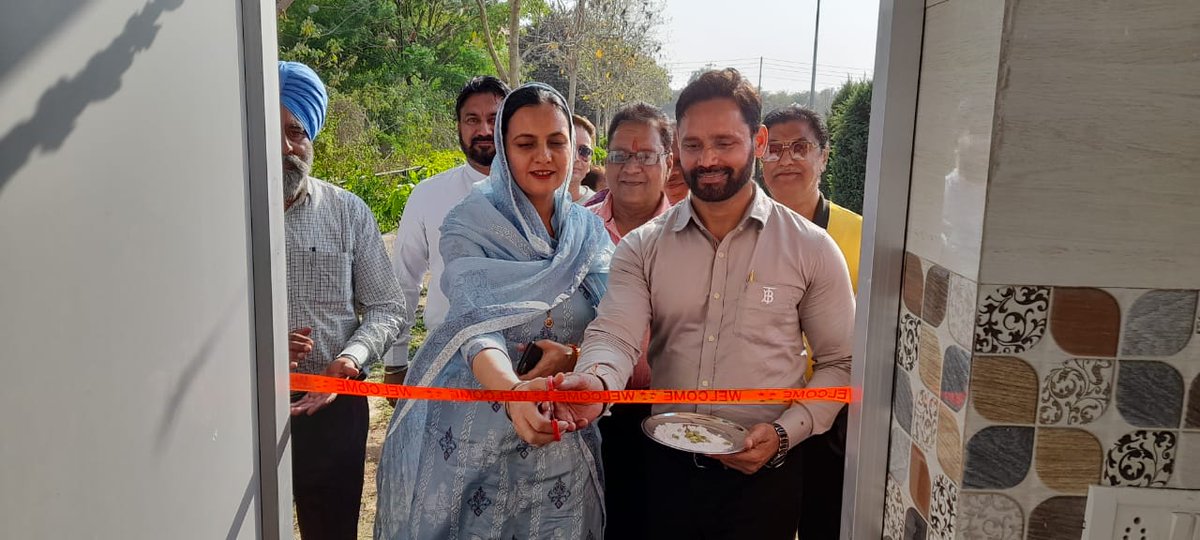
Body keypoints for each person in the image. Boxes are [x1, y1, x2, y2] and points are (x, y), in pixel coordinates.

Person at [551, 68, 855, 540]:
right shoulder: (643, 247)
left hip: (766, 476)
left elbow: (841, 362)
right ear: (676, 153)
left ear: (758, 140)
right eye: (693, 145)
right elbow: (616, 333)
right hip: (664, 469)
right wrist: (594, 381)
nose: (708, 159)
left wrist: (784, 434)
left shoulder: (811, 249)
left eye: (725, 142)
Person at [374, 83, 613, 540]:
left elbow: (612, 324)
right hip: (470, 441)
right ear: (504, 150)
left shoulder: (586, 232)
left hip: (560, 437)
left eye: (556, 142)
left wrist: (574, 356)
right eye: (526, 144)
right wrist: (512, 393)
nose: (543, 156)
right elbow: (473, 324)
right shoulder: (469, 223)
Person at [279, 61, 405, 540]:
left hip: (334, 404)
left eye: (297, 132)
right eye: (273, 131)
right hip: (237, 403)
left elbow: (388, 308)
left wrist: (347, 363)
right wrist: (255, 345)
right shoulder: (221, 215)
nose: (286, 146)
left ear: (312, 140)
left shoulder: (347, 211)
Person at [762, 104, 863, 539]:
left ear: (823, 156)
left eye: (800, 147)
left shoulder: (862, 237)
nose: (786, 159)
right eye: (775, 149)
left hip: (834, 422)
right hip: (759, 414)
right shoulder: (740, 234)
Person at [385, 76, 510, 388]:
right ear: (458, 126)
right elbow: (404, 281)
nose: (483, 130)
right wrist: (395, 360)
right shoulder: (429, 194)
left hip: (525, 367)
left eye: (494, 119)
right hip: (447, 363)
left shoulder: (540, 196)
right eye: (472, 120)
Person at [586, 102, 674, 540]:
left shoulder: (692, 234)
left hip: (669, 418)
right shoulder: (574, 229)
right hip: (588, 413)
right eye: (620, 155)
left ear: (668, 162)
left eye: (645, 156)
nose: (631, 167)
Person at [568, 114, 598, 203]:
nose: (575, 158)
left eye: (585, 151)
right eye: (569, 149)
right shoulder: (530, 203)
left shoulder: (601, 207)